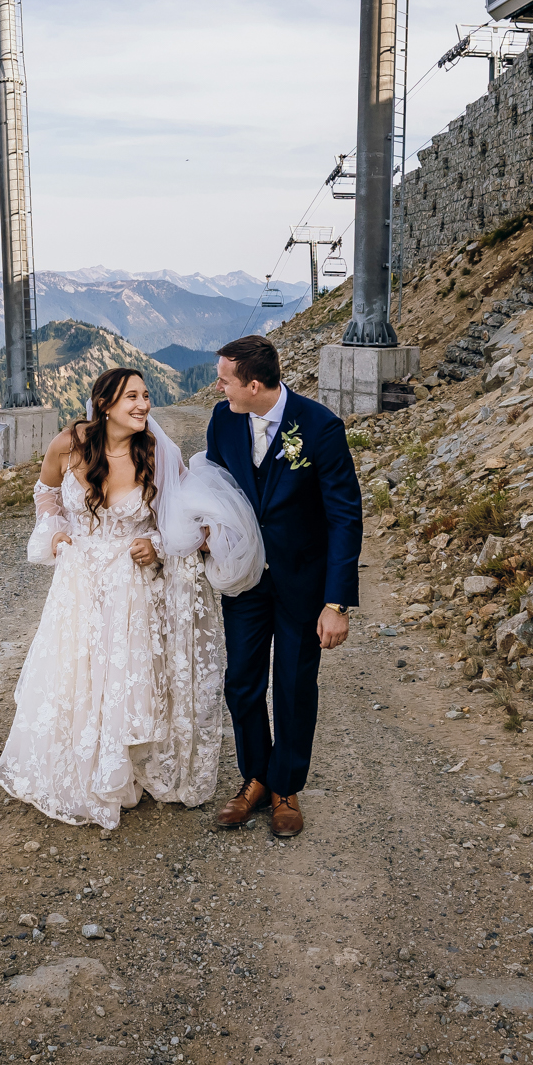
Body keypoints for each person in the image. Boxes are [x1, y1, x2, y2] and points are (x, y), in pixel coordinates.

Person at [0, 367, 261, 830]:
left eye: (146, 396)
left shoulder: (157, 454)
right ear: (105, 404)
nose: (143, 405)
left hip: (136, 586)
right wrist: (56, 534)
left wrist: (156, 545)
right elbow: (47, 494)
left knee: (133, 674)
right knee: (82, 671)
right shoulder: (69, 444)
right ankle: (86, 765)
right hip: (80, 582)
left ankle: (134, 763)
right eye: (131, 397)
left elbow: (186, 521)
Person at [202, 334, 363, 839]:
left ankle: (286, 788)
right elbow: (215, 487)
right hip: (244, 580)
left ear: (253, 384)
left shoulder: (319, 427)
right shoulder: (222, 419)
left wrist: (336, 601)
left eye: (226, 378)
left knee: (293, 688)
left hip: (301, 582)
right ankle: (254, 778)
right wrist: (207, 532)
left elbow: (344, 516)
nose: (218, 386)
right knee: (242, 684)